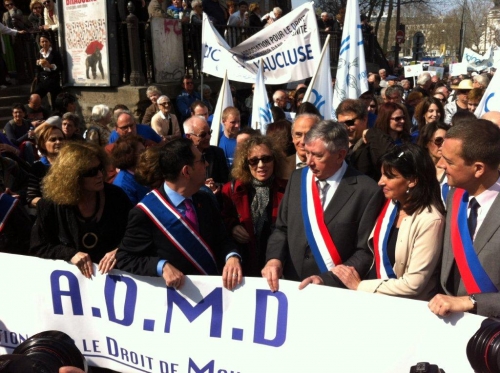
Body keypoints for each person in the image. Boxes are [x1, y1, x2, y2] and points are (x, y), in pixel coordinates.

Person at [262, 120, 385, 291]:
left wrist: (326, 279)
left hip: (333, 291)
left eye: (318, 156)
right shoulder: (298, 179)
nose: (309, 162)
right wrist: (274, 259)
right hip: (291, 286)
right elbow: (282, 228)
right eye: (308, 153)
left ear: (340, 155)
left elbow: (365, 251)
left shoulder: (367, 191)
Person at [116, 138, 243, 290]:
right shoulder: (145, 212)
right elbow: (125, 258)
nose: (207, 164)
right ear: (186, 171)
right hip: (178, 301)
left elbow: (222, 239)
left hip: (214, 295)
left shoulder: (205, 198)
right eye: (201, 160)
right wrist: (160, 266)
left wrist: (232, 257)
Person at [323, 144, 445, 300]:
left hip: (404, 309)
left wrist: (360, 286)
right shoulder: (390, 205)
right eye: (381, 175)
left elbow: (414, 284)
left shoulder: (430, 220)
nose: (380, 182)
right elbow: (370, 253)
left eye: (390, 176)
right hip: (375, 300)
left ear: (412, 180)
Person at [428, 119, 500, 318]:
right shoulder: (456, 195)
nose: (441, 165)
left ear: (478, 169)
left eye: (449, 161)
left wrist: (472, 302)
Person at [30, 142, 133, 279]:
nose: (99, 175)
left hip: (114, 278)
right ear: (72, 177)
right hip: (72, 285)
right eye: (90, 172)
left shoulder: (116, 197)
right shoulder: (51, 204)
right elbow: (38, 247)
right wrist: (69, 254)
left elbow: (136, 235)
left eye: (100, 168)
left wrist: (120, 250)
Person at [221, 135, 287, 276]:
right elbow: (220, 222)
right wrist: (232, 226)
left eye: (266, 159)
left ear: (275, 160)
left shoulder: (287, 189)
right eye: (254, 161)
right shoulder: (231, 190)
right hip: (243, 267)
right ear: (246, 163)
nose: (261, 165)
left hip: (277, 268)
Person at [336, 99, 378, 181]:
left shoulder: (374, 144)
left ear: (364, 120)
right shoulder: (336, 146)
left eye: (350, 123)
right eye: (341, 124)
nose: (346, 128)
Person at [184, 116, 229, 190]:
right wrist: (202, 187)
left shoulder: (217, 153)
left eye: (209, 132)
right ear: (189, 136)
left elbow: (226, 182)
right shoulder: (182, 157)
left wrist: (216, 186)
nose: (208, 137)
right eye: (203, 135)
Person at [365, 102, 415, 168]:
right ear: (386, 119)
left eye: (403, 118)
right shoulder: (377, 141)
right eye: (398, 119)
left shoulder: (408, 140)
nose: (402, 121)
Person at [27, 123, 64, 207]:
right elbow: (31, 198)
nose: (58, 142)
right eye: (53, 139)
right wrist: (53, 205)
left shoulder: (73, 164)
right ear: (43, 144)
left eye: (61, 139)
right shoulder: (38, 167)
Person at [111, 134, 149, 205]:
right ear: (129, 156)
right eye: (141, 152)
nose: (146, 154)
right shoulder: (123, 185)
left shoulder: (142, 172)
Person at [283, 113, 320, 179]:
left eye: (309, 135)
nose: (303, 141)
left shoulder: (328, 166)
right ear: (293, 137)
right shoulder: (281, 166)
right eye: (298, 135)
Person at [34, 33, 63, 110]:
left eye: (46, 41)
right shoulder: (39, 54)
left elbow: (60, 67)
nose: (44, 43)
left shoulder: (55, 53)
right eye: (42, 42)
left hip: (53, 79)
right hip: (43, 80)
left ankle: (54, 114)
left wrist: (49, 65)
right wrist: (38, 65)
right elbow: (37, 68)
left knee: (55, 102)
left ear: (49, 42)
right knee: (35, 96)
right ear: (40, 43)